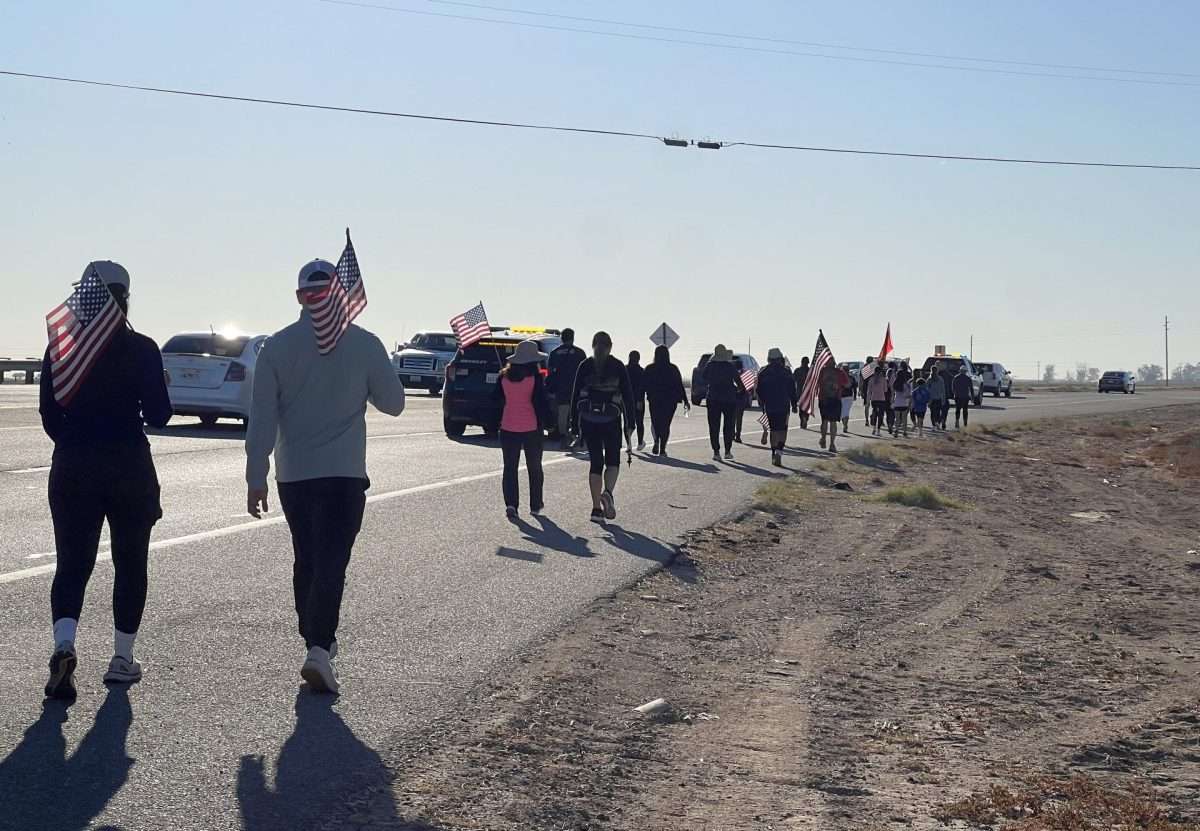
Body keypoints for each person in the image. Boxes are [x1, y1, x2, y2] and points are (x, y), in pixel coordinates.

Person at [246, 258, 406, 694]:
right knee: (332, 561)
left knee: (308, 558)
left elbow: (261, 418)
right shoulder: (365, 344)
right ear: (341, 294)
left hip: (294, 475)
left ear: (299, 296)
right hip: (344, 474)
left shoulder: (276, 347)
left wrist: (255, 475)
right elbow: (394, 403)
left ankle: (315, 640)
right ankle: (318, 646)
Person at [40, 261, 172, 700]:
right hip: (128, 465)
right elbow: (158, 414)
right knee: (130, 562)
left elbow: (48, 413)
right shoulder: (142, 348)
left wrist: (76, 442)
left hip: (74, 464)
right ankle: (121, 658)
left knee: (71, 564)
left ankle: (64, 645)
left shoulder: (62, 347)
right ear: (125, 298)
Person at [569, 331, 635, 523]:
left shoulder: (585, 365)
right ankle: (608, 492)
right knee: (613, 461)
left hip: (589, 420)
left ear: (593, 345)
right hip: (611, 420)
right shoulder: (617, 366)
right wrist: (631, 423)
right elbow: (628, 396)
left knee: (595, 463)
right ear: (610, 346)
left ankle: (596, 509)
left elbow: (575, 396)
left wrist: (574, 423)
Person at [495, 339, 552, 518]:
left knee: (510, 467)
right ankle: (535, 504)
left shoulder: (503, 377)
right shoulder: (535, 378)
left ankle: (511, 504)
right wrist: (550, 422)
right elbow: (541, 403)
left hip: (508, 426)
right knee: (534, 467)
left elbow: (496, 399)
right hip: (531, 427)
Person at [642, 345, 688, 456]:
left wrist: (640, 398)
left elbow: (643, 385)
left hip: (655, 399)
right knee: (666, 424)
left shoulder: (650, 368)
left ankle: (656, 440)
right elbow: (679, 385)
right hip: (670, 400)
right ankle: (662, 449)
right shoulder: (673, 368)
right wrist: (686, 400)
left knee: (656, 422)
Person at [701, 345, 745, 461]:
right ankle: (727, 451)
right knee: (729, 426)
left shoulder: (710, 366)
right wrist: (739, 391)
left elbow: (703, 377)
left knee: (714, 426)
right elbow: (739, 383)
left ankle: (716, 452)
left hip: (713, 398)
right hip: (729, 399)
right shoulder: (730, 366)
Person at [756, 348, 797, 467]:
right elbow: (792, 390)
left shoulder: (763, 372)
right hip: (783, 405)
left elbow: (758, 389)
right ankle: (779, 451)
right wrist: (794, 404)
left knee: (773, 430)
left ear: (768, 358)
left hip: (770, 405)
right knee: (783, 429)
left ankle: (774, 453)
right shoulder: (786, 371)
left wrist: (763, 401)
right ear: (780, 358)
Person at [547, 328, 586, 447]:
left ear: (562, 338)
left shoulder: (554, 353)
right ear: (573, 338)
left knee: (562, 414)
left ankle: (563, 436)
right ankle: (577, 435)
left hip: (560, 389)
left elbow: (550, 372)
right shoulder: (579, 353)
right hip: (576, 389)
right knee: (577, 412)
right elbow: (586, 372)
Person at [817, 361, 850, 453]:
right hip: (836, 399)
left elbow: (816, 383)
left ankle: (823, 438)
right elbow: (847, 384)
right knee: (833, 422)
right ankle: (832, 444)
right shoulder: (839, 372)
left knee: (824, 421)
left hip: (823, 399)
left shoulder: (822, 371)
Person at [626, 350, 647, 451]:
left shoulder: (625, 370)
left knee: (628, 423)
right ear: (638, 359)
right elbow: (642, 387)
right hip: (638, 400)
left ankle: (628, 444)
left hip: (626, 400)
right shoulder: (641, 371)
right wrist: (639, 400)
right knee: (639, 422)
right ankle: (639, 443)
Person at [867, 366, 890, 437]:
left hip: (873, 398)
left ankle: (873, 428)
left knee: (875, 413)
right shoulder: (883, 380)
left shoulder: (871, 379)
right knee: (880, 415)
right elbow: (885, 390)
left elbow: (869, 391)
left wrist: (868, 400)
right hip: (881, 399)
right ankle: (878, 430)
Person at [952, 365, 975, 429]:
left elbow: (953, 388)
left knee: (958, 409)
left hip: (958, 396)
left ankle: (957, 421)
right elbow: (971, 389)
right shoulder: (968, 378)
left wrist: (954, 394)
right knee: (965, 410)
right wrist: (972, 397)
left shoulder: (956, 378)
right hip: (965, 397)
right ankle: (965, 423)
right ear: (965, 371)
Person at [792, 356, 811, 430]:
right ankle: (805, 418)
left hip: (800, 392)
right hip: (808, 392)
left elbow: (793, 380)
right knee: (807, 408)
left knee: (801, 409)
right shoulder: (810, 371)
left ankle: (803, 418)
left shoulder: (797, 370)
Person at [891, 372, 912, 438]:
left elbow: (893, 394)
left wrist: (892, 402)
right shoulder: (906, 385)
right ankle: (904, 432)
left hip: (897, 403)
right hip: (904, 403)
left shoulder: (895, 384)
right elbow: (907, 395)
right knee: (904, 419)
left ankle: (896, 431)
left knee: (897, 419)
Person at [927, 366, 947, 431]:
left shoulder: (929, 379)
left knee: (932, 413)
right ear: (937, 371)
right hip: (938, 398)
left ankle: (934, 425)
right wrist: (943, 398)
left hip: (931, 399)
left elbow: (927, 390)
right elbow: (943, 390)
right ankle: (937, 423)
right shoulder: (940, 379)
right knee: (937, 412)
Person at [938, 362, 955, 429]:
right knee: (942, 410)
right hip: (941, 396)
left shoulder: (946, 374)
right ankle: (941, 422)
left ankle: (941, 422)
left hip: (942, 396)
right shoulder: (945, 374)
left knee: (943, 410)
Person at [840, 364, 856, 433]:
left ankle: (845, 425)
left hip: (844, 396)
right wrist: (855, 395)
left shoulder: (841, 378)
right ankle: (845, 425)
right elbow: (854, 388)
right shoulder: (852, 378)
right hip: (848, 396)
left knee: (843, 413)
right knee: (845, 412)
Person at [860, 357, 876, 426]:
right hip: (873, 389)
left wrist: (860, 390)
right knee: (874, 405)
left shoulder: (864, 369)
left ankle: (867, 420)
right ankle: (872, 416)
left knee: (867, 405)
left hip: (866, 388)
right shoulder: (873, 368)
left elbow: (860, 380)